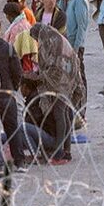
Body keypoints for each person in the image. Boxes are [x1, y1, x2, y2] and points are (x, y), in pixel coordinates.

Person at [29, 24, 82, 164]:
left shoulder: (50, 41)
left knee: (60, 114)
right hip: (67, 78)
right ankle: (66, 151)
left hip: (61, 81)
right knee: (64, 113)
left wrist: (36, 77)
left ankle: (59, 152)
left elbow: (51, 67)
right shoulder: (57, 39)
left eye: (36, 39)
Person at [0, 17, 30, 167]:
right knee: (13, 130)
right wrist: (13, 88)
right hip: (7, 94)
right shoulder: (7, 47)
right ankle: (19, 161)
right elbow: (18, 72)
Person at [60, 0, 91, 108]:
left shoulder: (79, 0)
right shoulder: (70, 0)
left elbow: (82, 27)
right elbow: (60, 14)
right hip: (69, 45)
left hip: (75, 46)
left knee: (79, 78)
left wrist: (76, 48)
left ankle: (81, 108)